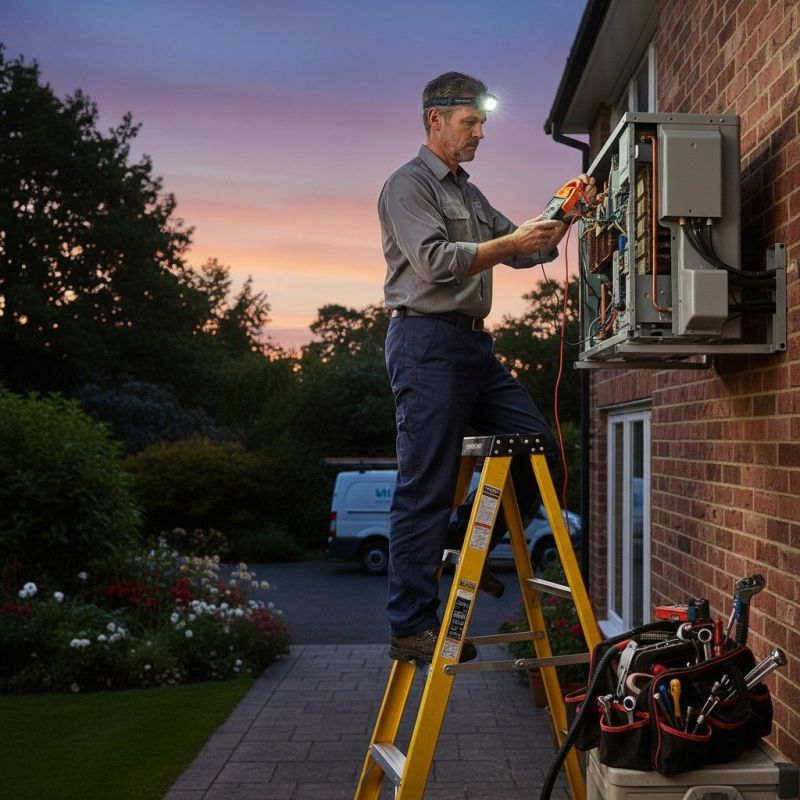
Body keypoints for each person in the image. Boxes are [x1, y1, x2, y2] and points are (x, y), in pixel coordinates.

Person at [378, 71, 595, 663]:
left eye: (483, 123)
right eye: (470, 122)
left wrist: (565, 213)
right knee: (425, 482)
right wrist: (512, 242)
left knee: (539, 446)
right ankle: (411, 627)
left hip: (474, 348)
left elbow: (528, 250)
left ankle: (460, 543)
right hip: (425, 343)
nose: (479, 133)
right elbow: (434, 262)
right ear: (436, 119)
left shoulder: (469, 195)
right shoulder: (409, 186)